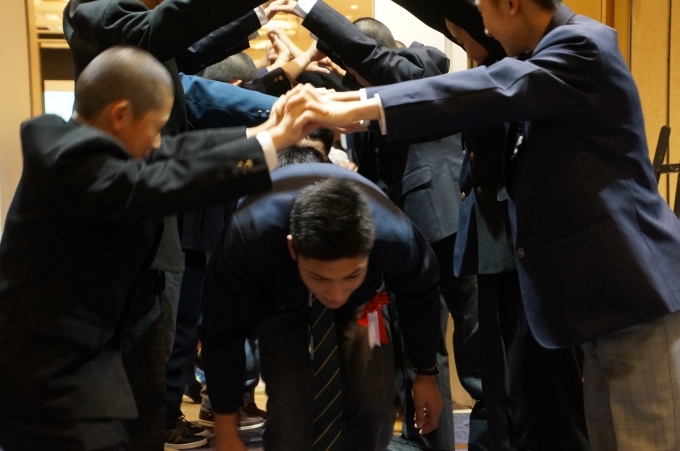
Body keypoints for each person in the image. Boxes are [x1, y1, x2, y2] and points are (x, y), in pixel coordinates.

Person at [302, 0, 680, 449]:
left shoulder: (582, 45)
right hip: (598, 303)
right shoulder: (543, 54)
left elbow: (487, 89)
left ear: (512, 5)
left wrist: (354, 105)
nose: (482, 27)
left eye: (483, 11)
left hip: (632, 295)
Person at [0, 46, 316, 451]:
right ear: (120, 114)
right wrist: (274, 142)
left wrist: (266, 132)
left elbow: (173, 152)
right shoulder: (75, 164)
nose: (156, 143)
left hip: (71, 372)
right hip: (49, 383)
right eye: (156, 128)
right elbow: (159, 177)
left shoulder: (71, 144)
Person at [62, 0, 275, 447]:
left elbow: (184, 49)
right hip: (125, 239)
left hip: (154, 231)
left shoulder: (142, 40)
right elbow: (168, 30)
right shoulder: (94, 11)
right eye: (155, 126)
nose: (159, 138)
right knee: (137, 388)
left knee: (150, 384)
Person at [270, 3, 478, 449]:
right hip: (402, 241)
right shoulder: (361, 91)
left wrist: (310, 10)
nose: (355, 81)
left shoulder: (423, 64)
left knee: (469, 351)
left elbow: (380, 72)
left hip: (446, 226)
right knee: (417, 349)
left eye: (357, 69)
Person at [200, 163, 445, 451]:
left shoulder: (394, 234)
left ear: (370, 247)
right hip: (278, 300)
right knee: (290, 409)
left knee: (375, 404)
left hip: (365, 301)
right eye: (320, 278)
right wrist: (226, 431)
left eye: (351, 275)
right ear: (293, 248)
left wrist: (425, 373)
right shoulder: (249, 236)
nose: (336, 294)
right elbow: (221, 332)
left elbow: (421, 293)